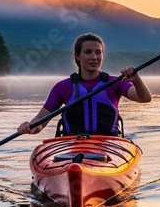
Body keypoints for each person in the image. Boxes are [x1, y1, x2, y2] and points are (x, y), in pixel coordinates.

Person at [17, 33, 152, 137]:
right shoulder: (62, 87)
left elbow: (144, 98)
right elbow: (40, 121)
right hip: (72, 145)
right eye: (88, 52)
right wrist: (29, 127)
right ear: (77, 56)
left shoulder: (114, 83)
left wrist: (136, 79)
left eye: (98, 52)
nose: (94, 57)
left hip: (108, 145)